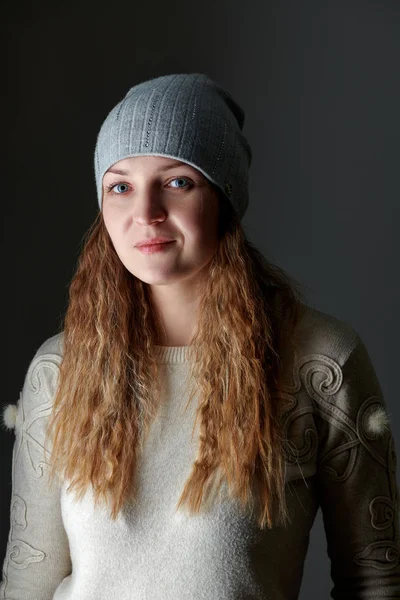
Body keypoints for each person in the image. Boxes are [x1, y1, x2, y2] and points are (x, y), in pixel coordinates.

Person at [1, 72, 399, 600]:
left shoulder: (321, 362)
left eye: (177, 182)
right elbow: (29, 578)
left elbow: (377, 580)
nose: (145, 213)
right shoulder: (57, 371)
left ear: (225, 198)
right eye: (120, 186)